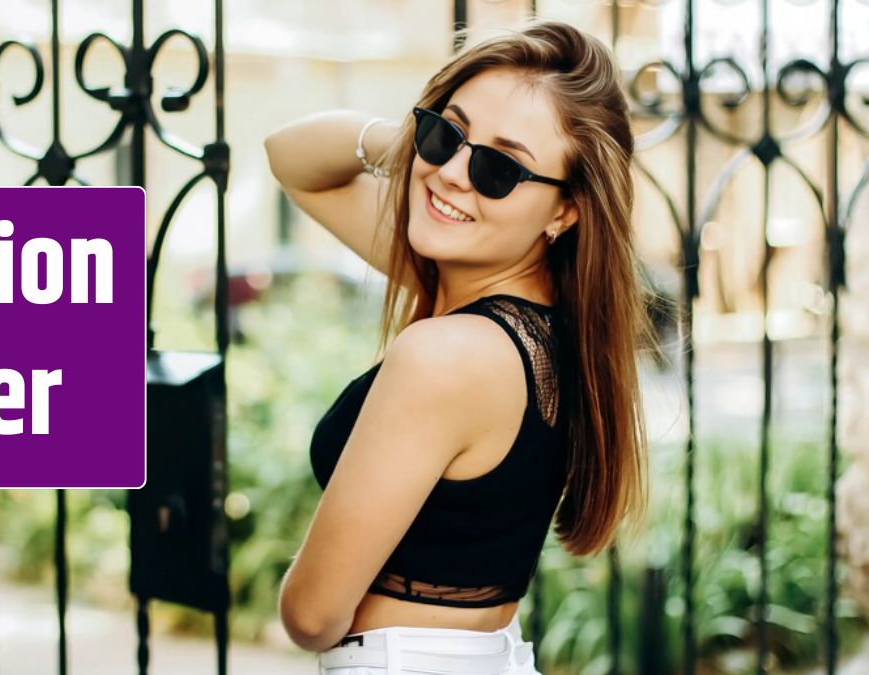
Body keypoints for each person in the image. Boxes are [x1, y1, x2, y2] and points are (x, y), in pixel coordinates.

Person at [263, 18, 655, 675]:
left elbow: (311, 614)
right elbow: (291, 158)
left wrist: (442, 153)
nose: (453, 174)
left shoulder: (447, 354)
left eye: (501, 167)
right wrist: (419, 146)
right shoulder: (543, 321)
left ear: (566, 210)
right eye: (448, 130)